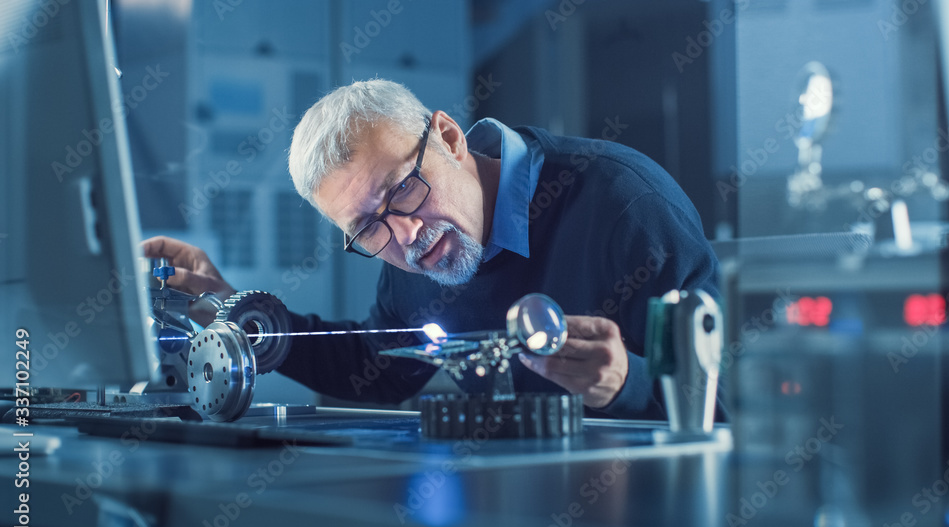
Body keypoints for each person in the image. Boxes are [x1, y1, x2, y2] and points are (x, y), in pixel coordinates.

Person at [144, 79, 718, 420]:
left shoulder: (625, 206)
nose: (406, 236)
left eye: (403, 192)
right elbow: (382, 367)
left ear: (447, 137)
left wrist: (625, 382)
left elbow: (726, 407)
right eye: (368, 227)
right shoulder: (411, 257)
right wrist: (239, 315)